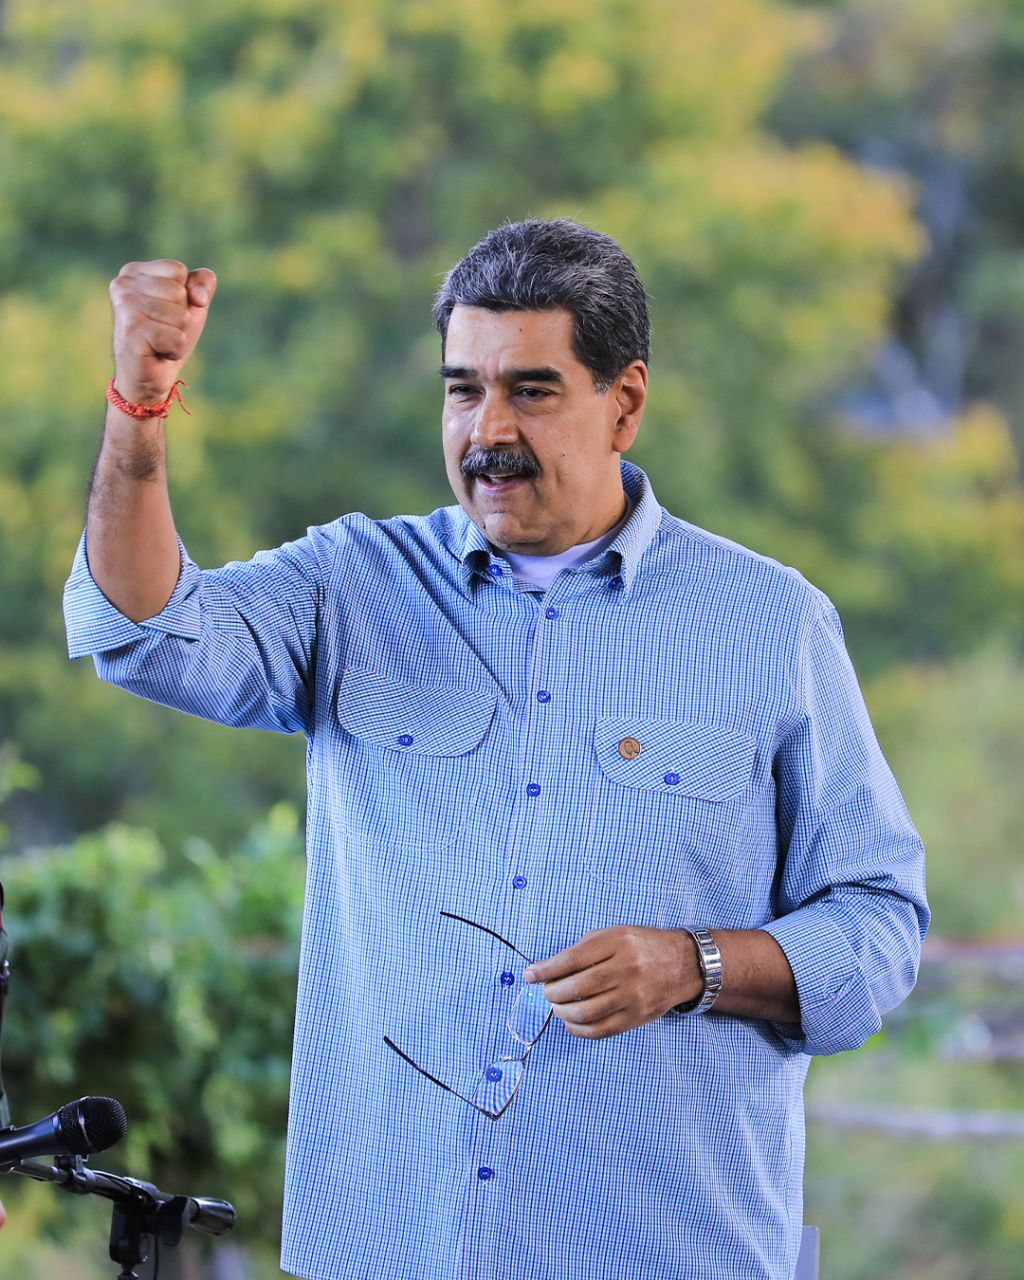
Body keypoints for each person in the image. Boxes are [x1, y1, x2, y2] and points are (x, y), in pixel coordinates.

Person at [62, 219, 928, 1280]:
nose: (488, 429)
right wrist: (139, 408)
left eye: (532, 390)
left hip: (661, 1252)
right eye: (463, 389)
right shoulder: (351, 585)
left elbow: (878, 923)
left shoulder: (770, 625)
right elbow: (141, 629)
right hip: (388, 1250)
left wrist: (692, 965)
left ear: (625, 402)